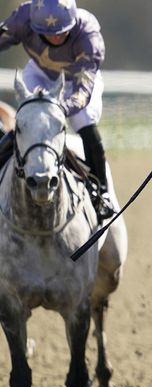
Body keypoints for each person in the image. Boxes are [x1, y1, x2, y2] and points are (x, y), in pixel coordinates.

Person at [0, 0, 113, 221]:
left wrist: (60, 107)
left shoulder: (89, 36)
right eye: (49, 34)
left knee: (85, 123)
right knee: (27, 122)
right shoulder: (24, 17)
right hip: (40, 73)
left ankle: (102, 194)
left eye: (62, 34)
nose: (55, 39)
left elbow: (83, 90)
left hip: (76, 82)